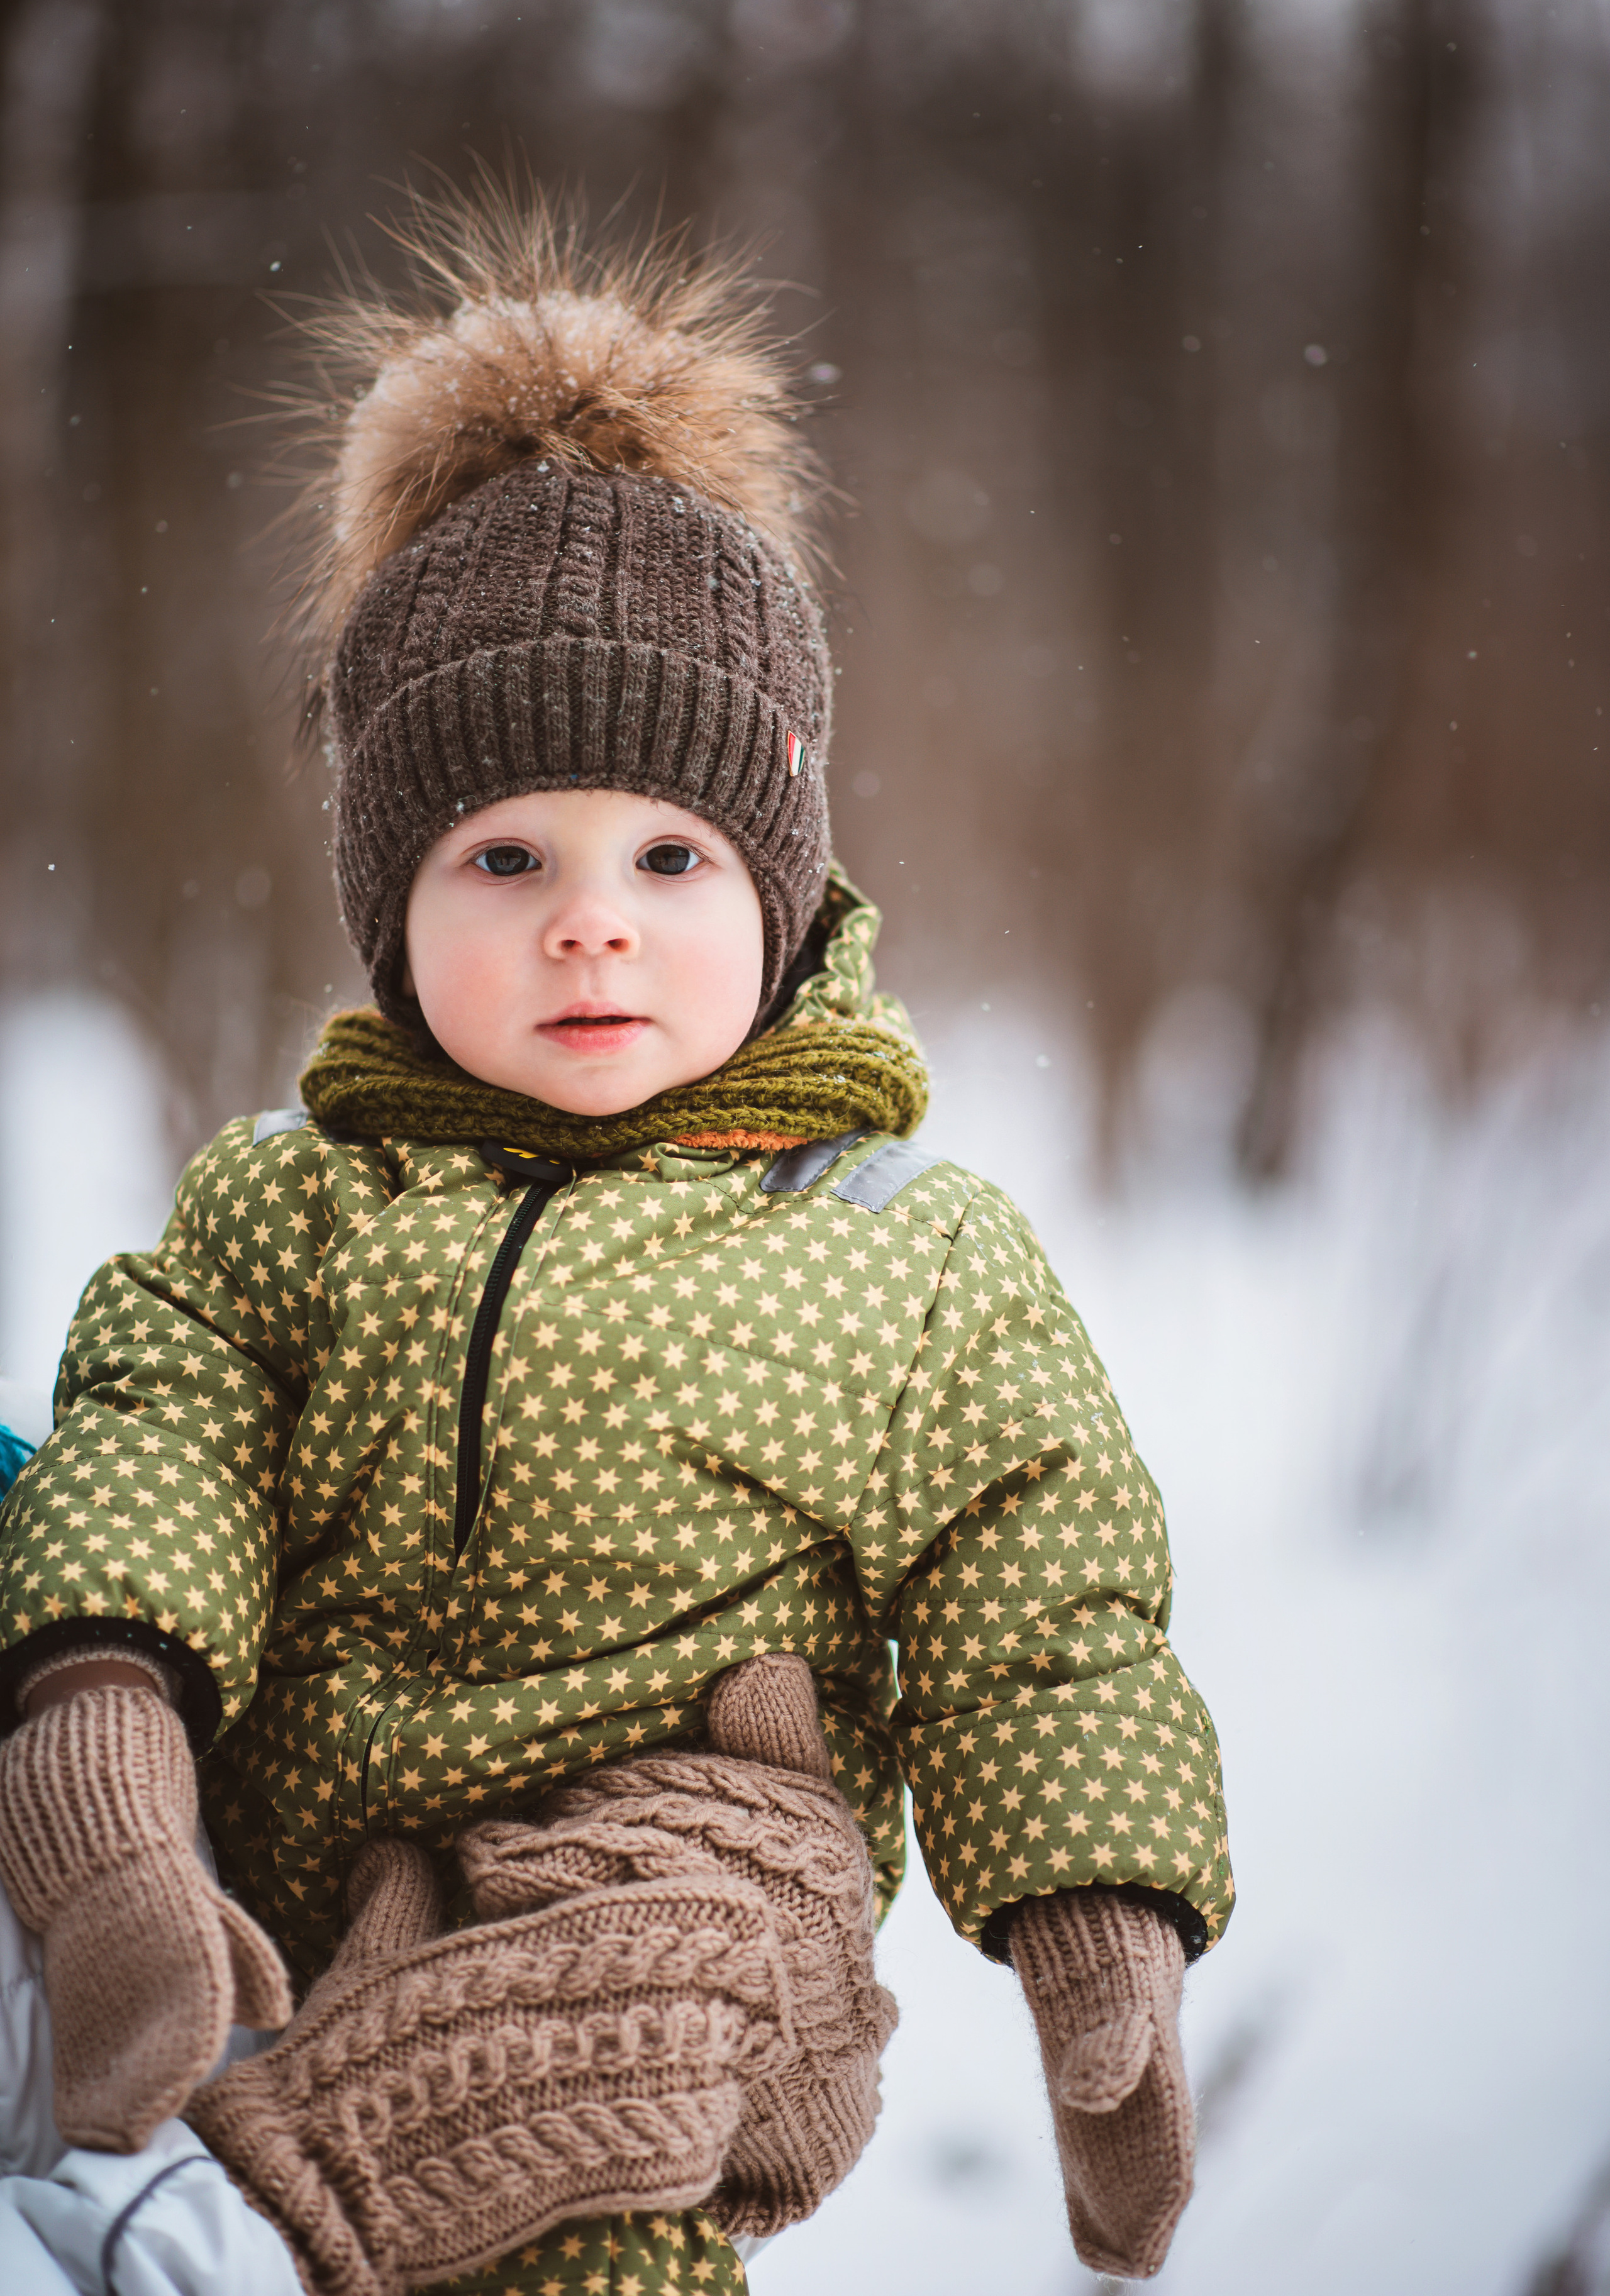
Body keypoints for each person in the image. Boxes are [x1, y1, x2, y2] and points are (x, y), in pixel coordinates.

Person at [0, 196, 1233, 2295]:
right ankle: (224, 2175)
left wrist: (1093, 1926)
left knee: (653, 2009)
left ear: (783, 887)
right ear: (391, 905)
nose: (594, 917)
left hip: (690, 1914)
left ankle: (258, 2222)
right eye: (505, 855)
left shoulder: (901, 1246)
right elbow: (146, 1455)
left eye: (671, 852)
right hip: (314, 1900)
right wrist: (108, 1776)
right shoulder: (290, 1204)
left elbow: (1047, 1588)